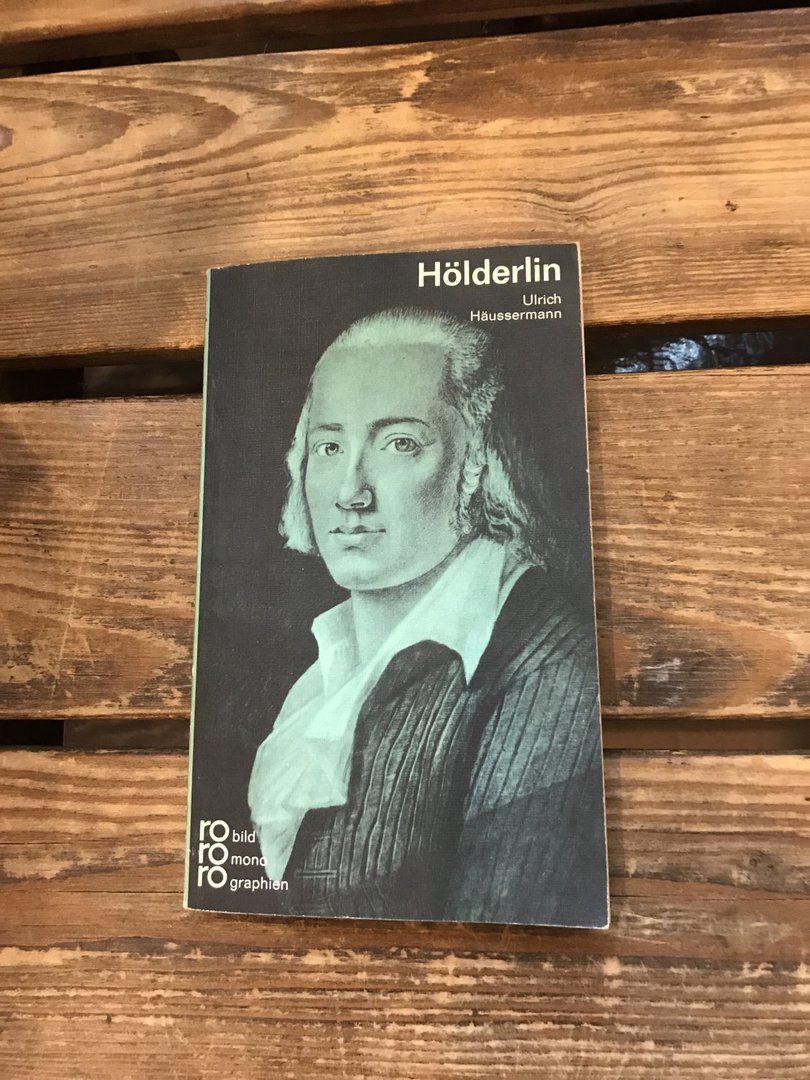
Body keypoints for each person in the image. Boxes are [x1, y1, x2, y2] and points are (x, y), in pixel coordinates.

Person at [248, 308, 607, 926]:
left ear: (476, 463)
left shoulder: (550, 673)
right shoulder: (324, 672)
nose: (351, 493)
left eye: (400, 444)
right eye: (329, 447)